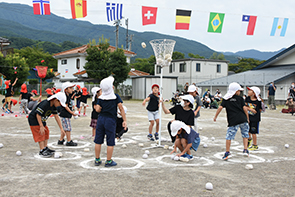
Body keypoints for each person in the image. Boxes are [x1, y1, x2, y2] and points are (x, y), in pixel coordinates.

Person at [94, 76, 127, 167]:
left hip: (101, 119)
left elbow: (97, 109)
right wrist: (124, 120)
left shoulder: (101, 97)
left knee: (98, 140)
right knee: (110, 140)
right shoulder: (115, 97)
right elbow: (121, 108)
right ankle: (108, 161)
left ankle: (97, 159)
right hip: (111, 120)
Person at [213, 82, 250, 161]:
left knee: (229, 136)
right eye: (239, 91)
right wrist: (247, 118)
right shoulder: (240, 98)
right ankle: (245, 150)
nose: (239, 92)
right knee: (245, 134)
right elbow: (244, 108)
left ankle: (227, 152)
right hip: (243, 119)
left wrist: (216, 116)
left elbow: (220, 108)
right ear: (235, 91)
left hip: (233, 120)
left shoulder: (226, 99)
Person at [28, 92, 67, 157]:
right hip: (34, 119)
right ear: (55, 100)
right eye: (60, 103)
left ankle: (45, 148)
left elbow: (56, 116)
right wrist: (41, 126)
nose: (60, 105)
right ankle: (42, 150)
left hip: (42, 119)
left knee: (46, 132)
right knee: (40, 133)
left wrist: (61, 128)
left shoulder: (53, 106)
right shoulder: (45, 103)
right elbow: (38, 114)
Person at [58, 82, 79, 146]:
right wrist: (72, 113)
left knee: (65, 128)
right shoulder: (65, 96)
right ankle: (69, 141)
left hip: (65, 115)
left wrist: (72, 110)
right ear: (65, 89)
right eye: (71, 88)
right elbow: (65, 106)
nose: (72, 90)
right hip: (65, 114)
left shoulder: (68, 96)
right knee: (68, 128)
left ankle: (61, 140)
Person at [245, 87, 262, 151]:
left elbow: (259, 110)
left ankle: (255, 145)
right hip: (248, 117)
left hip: (255, 119)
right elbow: (245, 106)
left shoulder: (258, 101)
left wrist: (253, 111)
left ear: (254, 93)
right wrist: (250, 109)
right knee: (247, 131)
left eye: (250, 91)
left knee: (253, 132)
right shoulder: (247, 98)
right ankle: (249, 140)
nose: (248, 92)